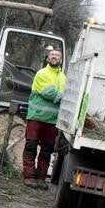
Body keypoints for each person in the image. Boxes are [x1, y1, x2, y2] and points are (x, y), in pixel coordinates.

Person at [23, 48, 65, 188]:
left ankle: (41, 178)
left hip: (52, 121)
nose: (54, 57)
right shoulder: (42, 73)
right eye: (52, 55)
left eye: (57, 56)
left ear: (61, 60)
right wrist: (65, 97)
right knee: (31, 147)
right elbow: (49, 93)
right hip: (37, 118)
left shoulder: (63, 78)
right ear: (47, 58)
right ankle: (29, 177)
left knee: (47, 151)